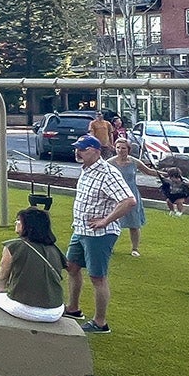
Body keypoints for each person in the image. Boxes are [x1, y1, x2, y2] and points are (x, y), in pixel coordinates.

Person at [62, 135, 137, 334]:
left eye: (83, 149)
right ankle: (73, 308)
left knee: (97, 277)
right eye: (77, 148)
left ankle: (100, 322)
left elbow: (129, 201)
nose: (78, 152)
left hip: (99, 234)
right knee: (72, 267)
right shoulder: (86, 169)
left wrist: (105, 221)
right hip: (81, 229)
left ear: (96, 151)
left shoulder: (107, 173)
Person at [0, 208, 68, 323]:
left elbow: (2, 275)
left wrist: (1, 289)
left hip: (27, 309)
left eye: (19, 220)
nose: (16, 222)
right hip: (55, 311)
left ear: (28, 226)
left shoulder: (14, 246)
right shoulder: (54, 249)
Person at [106, 139, 149, 257]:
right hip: (115, 196)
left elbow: (148, 171)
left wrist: (166, 175)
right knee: (112, 223)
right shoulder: (109, 163)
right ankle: (109, 247)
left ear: (128, 149)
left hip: (132, 195)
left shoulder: (134, 162)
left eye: (123, 148)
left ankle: (135, 248)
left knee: (134, 224)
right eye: (118, 147)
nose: (120, 150)